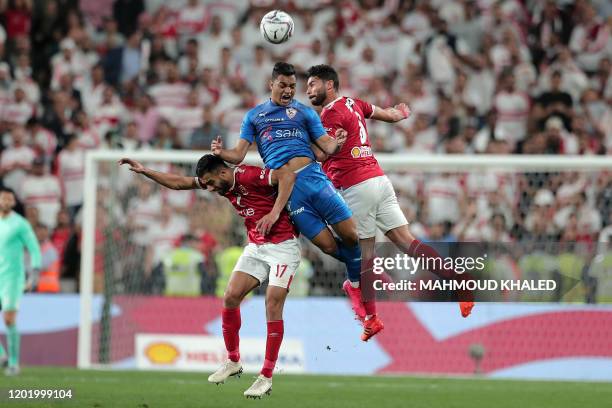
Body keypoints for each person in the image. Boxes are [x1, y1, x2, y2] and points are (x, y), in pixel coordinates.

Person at [211, 62, 382, 341]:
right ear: (271, 84)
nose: (289, 90)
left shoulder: (303, 112)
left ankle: (357, 289)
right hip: (289, 192)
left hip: (314, 179)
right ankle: (359, 281)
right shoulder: (254, 116)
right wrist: (222, 153)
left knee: (351, 236)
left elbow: (326, 147)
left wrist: (337, 142)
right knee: (329, 247)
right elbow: (239, 154)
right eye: (283, 85)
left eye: (293, 86)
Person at [119, 154, 298, 398]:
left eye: (211, 183)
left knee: (273, 303)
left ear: (223, 173)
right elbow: (179, 182)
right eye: (206, 184)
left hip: (283, 245)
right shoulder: (218, 182)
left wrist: (275, 212)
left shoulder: (249, 174)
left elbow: (288, 175)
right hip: (257, 246)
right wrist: (145, 171)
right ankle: (233, 360)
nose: (210, 188)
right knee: (231, 296)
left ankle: (265, 376)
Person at [305, 64, 475, 320]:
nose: (308, 90)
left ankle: (369, 317)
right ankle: (459, 280)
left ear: (329, 85)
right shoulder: (354, 103)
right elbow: (390, 115)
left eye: (313, 84)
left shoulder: (329, 115)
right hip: (379, 179)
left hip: (356, 185)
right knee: (407, 242)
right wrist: (401, 113)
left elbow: (324, 152)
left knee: (349, 248)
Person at [0, 187, 42, 376]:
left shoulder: (20, 224)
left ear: (14, 202)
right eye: (3, 198)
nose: (6, 201)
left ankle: (14, 363)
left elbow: (34, 248)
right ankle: (2, 356)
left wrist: (34, 274)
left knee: (9, 319)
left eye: (10, 199)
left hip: (12, 278)